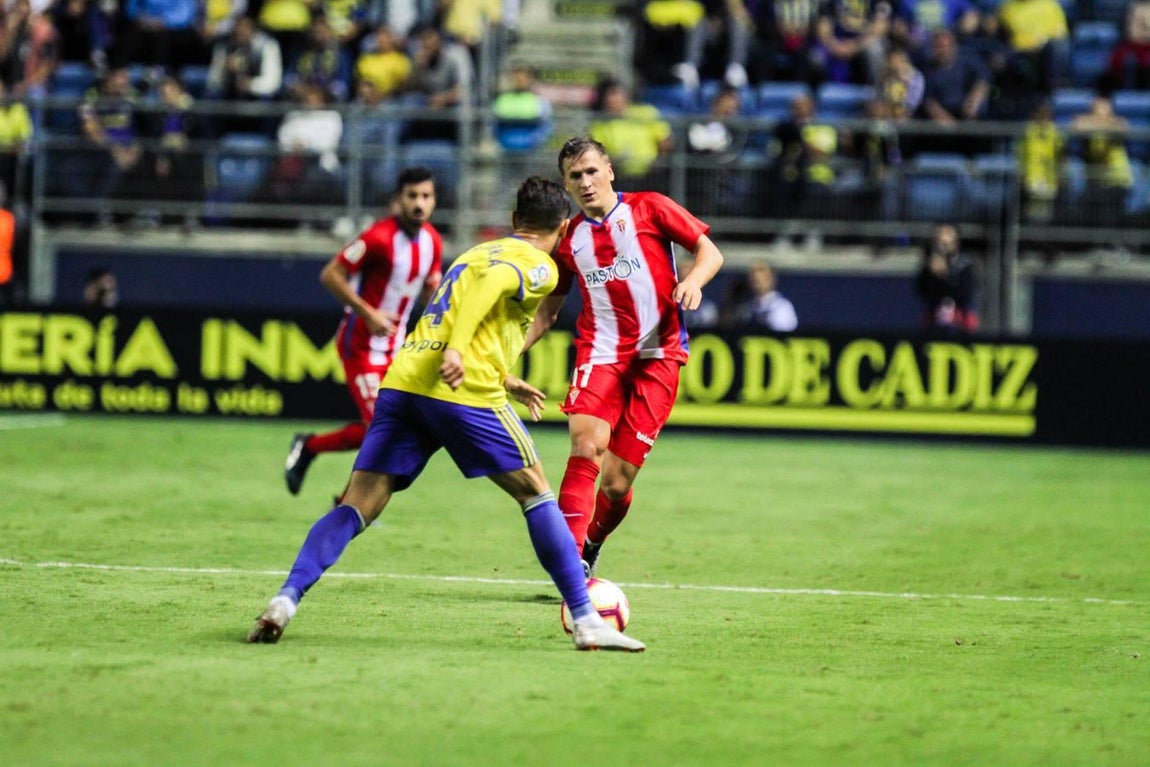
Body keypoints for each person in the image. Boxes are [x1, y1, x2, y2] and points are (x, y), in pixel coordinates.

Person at [248, 175, 645, 653]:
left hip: (405, 381)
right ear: (563, 229)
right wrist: (458, 352)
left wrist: (502, 375)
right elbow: (490, 290)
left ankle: (286, 599)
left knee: (356, 505)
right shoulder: (539, 265)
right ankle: (585, 619)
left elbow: (461, 310)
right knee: (537, 494)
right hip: (462, 391)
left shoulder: (474, 254)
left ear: (514, 219)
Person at [525, 136, 725, 576]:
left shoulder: (650, 207)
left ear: (610, 171)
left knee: (616, 485)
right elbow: (546, 314)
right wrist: (503, 356)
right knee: (585, 446)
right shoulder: (568, 240)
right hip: (601, 353)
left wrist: (693, 282)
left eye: (592, 172)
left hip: (659, 355)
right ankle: (570, 565)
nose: (586, 182)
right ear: (566, 184)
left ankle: (592, 543)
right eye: (575, 176)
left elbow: (710, 252)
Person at [285, 166, 443, 497]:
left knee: (393, 427)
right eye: (412, 196)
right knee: (382, 430)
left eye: (426, 196)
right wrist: (368, 313)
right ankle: (346, 503)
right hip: (360, 345)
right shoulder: (377, 237)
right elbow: (331, 274)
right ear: (398, 200)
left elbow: (431, 292)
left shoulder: (432, 241)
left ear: (434, 200)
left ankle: (312, 449)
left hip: (397, 350)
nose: (419, 203)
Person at [914, 223, 978, 335]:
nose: (943, 239)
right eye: (940, 235)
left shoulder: (965, 264)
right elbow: (922, 291)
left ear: (956, 240)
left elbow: (965, 294)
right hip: (934, 321)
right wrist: (933, 275)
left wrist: (945, 275)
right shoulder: (929, 264)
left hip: (959, 322)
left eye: (947, 234)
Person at [730, 260, 798, 331]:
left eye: (762, 275)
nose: (756, 277)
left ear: (771, 278)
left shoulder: (782, 307)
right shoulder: (747, 308)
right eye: (753, 277)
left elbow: (785, 332)